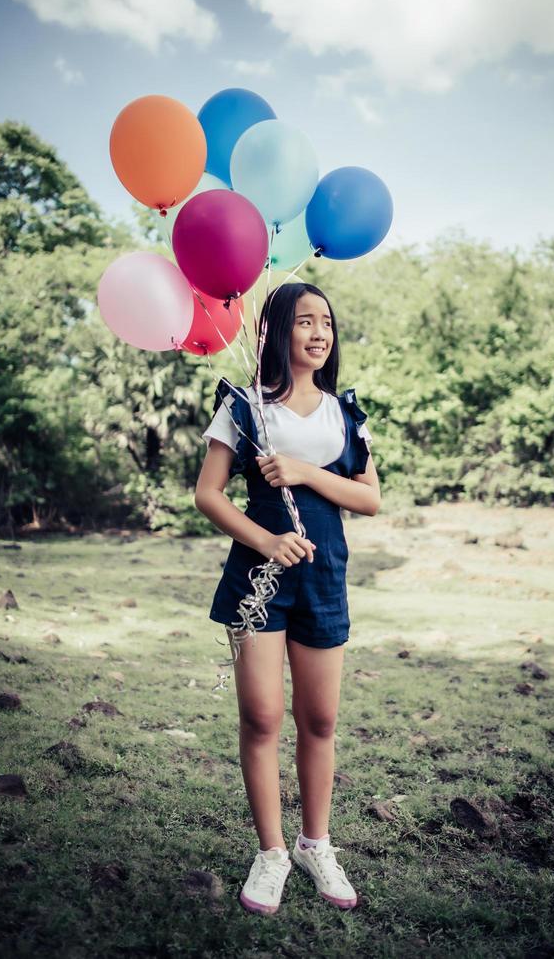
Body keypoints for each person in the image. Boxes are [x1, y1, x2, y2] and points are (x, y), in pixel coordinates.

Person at [194, 281, 380, 916]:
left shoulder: (345, 413)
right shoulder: (244, 407)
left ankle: (315, 844)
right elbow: (209, 494)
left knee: (321, 720)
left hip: (324, 577)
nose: (319, 332)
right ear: (274, 331)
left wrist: (305, 473)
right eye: (304, 321)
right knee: (262, 717)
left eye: (326, 321)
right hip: (258, 578)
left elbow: (369, 498)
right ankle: (271, 852)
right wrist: (267, 543)